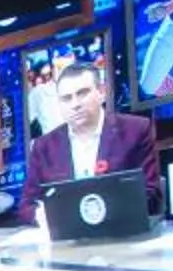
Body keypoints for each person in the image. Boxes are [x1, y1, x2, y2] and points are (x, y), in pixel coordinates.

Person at [23, 62, 164, 214]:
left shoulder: (135, 130)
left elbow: (152, 194)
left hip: (124, 231)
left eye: (82, 93)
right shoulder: (43, 147)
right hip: (68, 235)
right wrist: (46, 217)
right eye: (66, 98)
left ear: (101, 92)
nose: (75, 104)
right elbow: (27, 205)